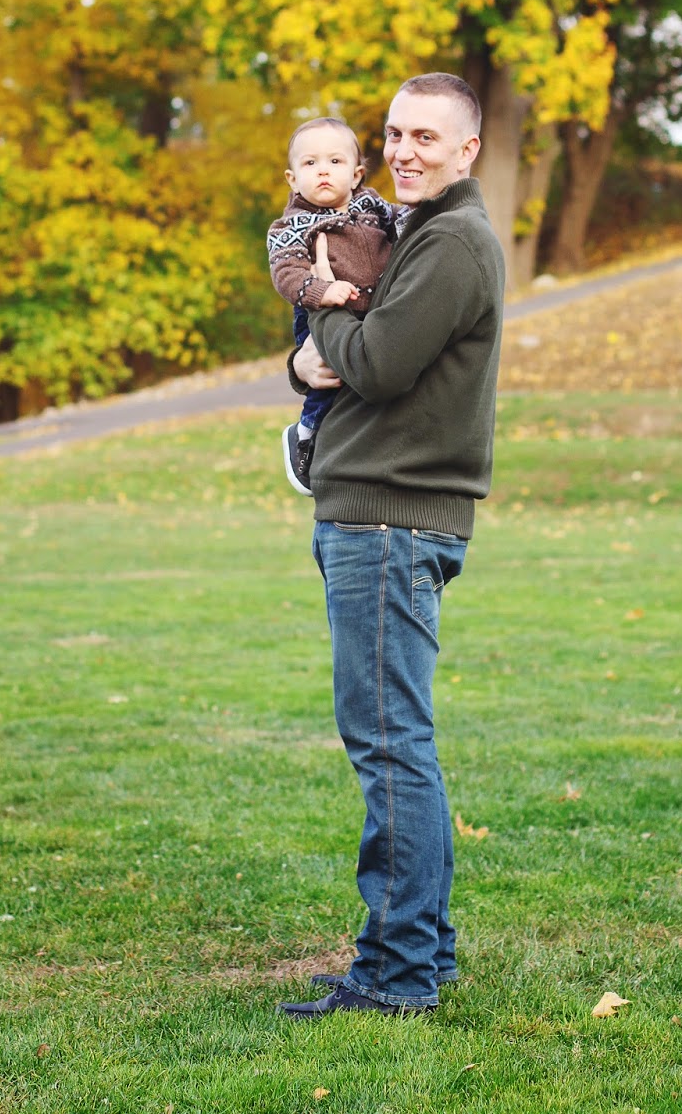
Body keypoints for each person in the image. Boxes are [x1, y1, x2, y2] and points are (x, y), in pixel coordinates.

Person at [277, 72, 506, 1019]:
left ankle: (398, 974)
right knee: (397, 741)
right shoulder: (416, 233)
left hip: (391, 520)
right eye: (395, 133)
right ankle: (421, 953)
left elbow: (373, 362)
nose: (405, 151)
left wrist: (322, 303)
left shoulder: (452, 242)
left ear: (467, 150)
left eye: (427, 137)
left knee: (389, 747)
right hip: (378, 513)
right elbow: (337, 359)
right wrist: (305, 356)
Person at [267, 118, 398, 494]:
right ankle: (306, 434)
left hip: (370, 310)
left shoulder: (374, 206)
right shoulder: (293, 225)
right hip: (317, 314)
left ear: (356, 175)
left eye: (335, 162)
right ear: (293, 179)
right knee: (327, 379)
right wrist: (320, 291)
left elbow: (404, 222)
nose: (323, 170)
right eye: (310, 163)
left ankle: (352, 446)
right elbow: (286, 272)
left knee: (364, 382)